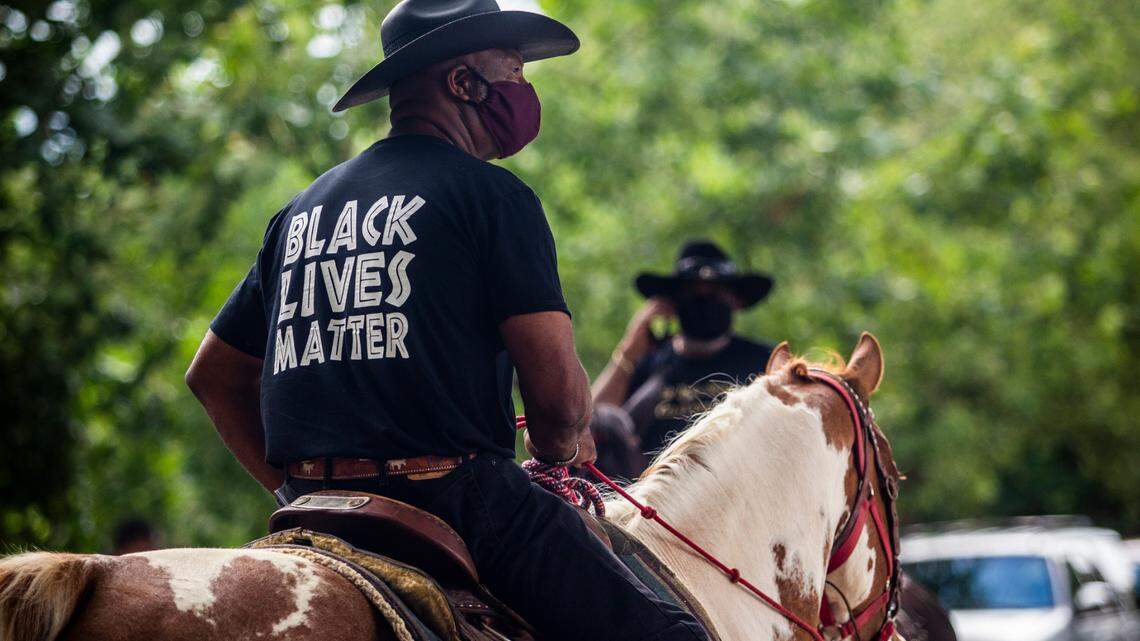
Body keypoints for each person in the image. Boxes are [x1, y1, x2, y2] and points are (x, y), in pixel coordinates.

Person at [185, 2, 706, 640]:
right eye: (513, 72)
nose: (525, 92)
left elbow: (212, 376)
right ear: (463, 83)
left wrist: (289, 489)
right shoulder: (495, 197)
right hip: (459, 500)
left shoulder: (299, 212)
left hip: (311, 509)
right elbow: (560, 406)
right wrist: (561, 447)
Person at [593, 240, 776, 460]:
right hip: (652, 489)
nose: (705, 303)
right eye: (694, 293)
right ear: (674, 302)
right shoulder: (649, 363)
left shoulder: (764, 361)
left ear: (736, 300)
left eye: (715, 293)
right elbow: (590, 425)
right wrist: (629, 350)